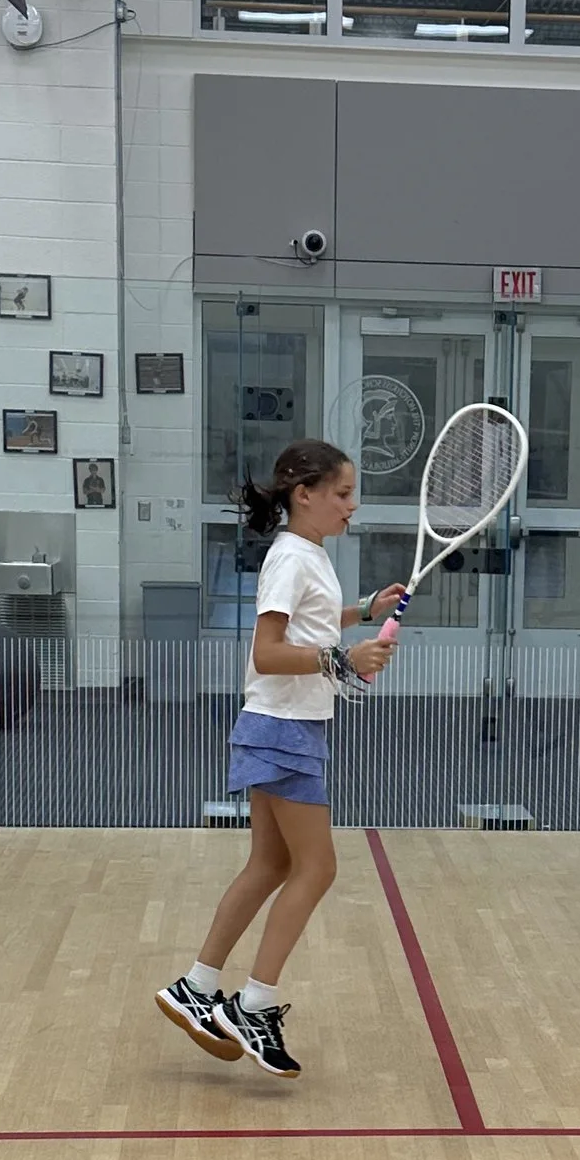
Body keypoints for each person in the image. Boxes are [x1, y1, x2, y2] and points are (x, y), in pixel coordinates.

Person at [156, 440, 406, 1079]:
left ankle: (196, 985)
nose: (354, 506)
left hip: (280, 726)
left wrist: (362, 613)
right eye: (343, 493)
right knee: (316, 869)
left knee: (270, 863)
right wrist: (342, 660)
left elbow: (310, 628)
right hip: (283, 729)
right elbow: (268, 651)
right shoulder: (291, 558)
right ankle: (256, 1002)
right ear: (306, 493)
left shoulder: (310, 556)